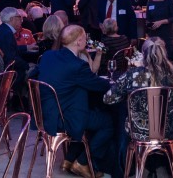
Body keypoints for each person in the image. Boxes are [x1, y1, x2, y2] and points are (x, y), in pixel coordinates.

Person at [34, 25, 114, 178]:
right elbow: (98, 85)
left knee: (90, 111)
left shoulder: (48, 56)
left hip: (45, 114)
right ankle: (82, 162)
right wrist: (114, 83)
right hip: (63, 117)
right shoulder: (77, 65)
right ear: (78, 41)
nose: (86, 41)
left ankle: (69, 159)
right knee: (107, 121)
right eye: (85, 38)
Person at [104, 37, 173, 140]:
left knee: (121, 115)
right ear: (164, 53)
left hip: (138, 132)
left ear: (143, 54)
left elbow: (108, 99)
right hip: (168, 132)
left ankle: (124, 149)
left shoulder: (132, 74)